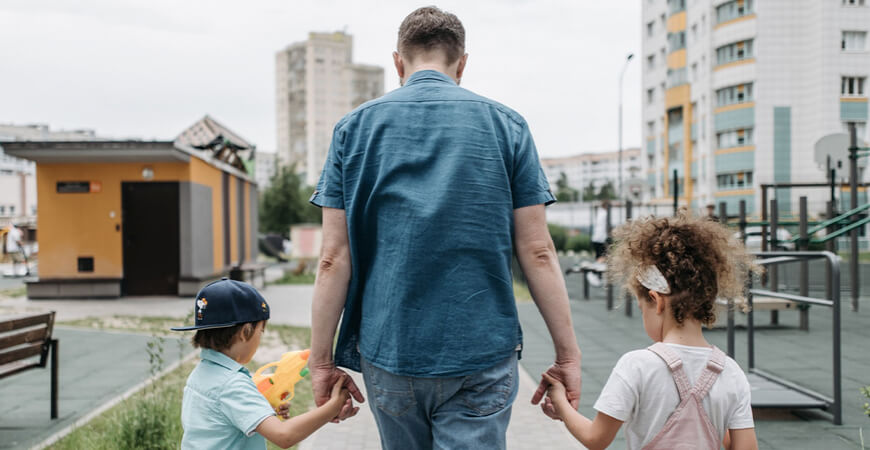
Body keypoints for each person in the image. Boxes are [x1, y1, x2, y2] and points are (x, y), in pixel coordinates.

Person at [307, 6, 582, 449]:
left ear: (398, 62)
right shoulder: (507, 126)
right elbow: (538, 251)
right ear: (462, 63)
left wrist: (321, 363)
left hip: (391, 351)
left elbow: (333, 259)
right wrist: (567, 355)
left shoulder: (352, 130)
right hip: (480, 352)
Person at [545, 214, 759, 450]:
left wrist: (560, 404)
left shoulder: (637, 365)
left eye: (641, 308)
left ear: (656, 302)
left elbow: (596, 439)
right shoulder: (730, 372)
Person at [171, 279, 350, 449]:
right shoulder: (232, 385)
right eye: (260, 331)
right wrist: (334, 405)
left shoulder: (201, 373)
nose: (260, 338)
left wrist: (262, 410)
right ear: (245, 331)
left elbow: (218, 419)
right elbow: (284, 436)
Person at [587, 200, 611, 287]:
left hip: (596, 238)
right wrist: (607, 239)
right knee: (603, 256)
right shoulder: (604, 214)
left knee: (600, 257)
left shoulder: (600, 213)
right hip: (601, 238)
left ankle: (597, 276)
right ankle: (593, 271)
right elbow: (605, 227)